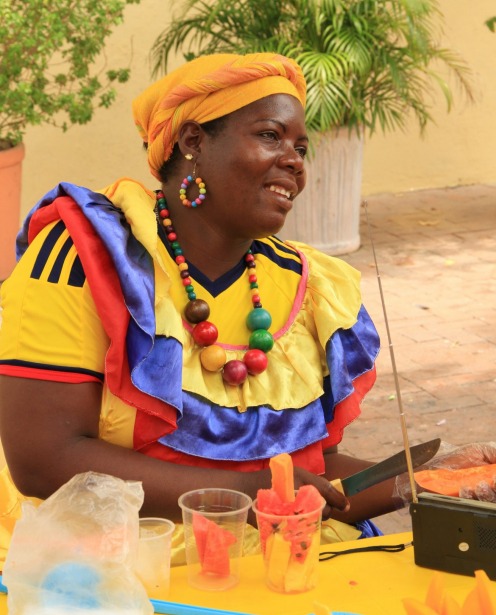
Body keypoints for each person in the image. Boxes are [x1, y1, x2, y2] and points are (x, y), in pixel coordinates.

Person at [0, 53, 494, 567]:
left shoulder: (308, 289)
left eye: (301, 147)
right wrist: (252, 495)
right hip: (127, 567)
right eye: (270, 136)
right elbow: (44, 459)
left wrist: (432, 479)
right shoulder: (87, 258)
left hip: (289, 561)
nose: (295, 161)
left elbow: (310, 472)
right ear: (193, 142)